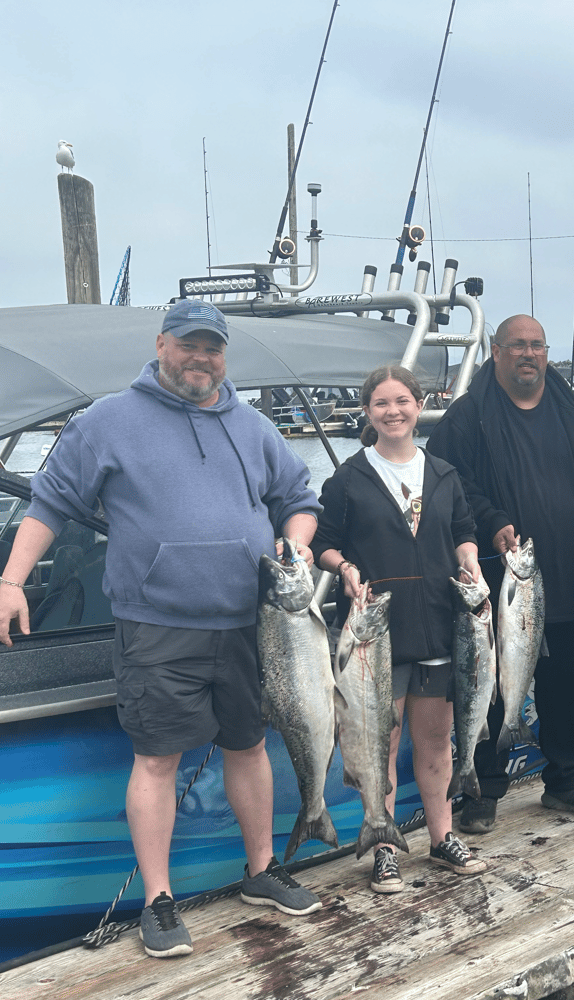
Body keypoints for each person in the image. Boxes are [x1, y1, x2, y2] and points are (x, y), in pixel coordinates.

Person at [0, 299, 324, 958]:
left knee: (249, 745)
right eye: (188, 345)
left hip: (250, 624)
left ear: (224, 355)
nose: (200, 359)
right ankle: (158, 900)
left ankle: (260, 870)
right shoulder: (109, 421)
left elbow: (300, 499)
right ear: (161, 344)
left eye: (212, 348)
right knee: (155, 759)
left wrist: (298, 542)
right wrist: (11, 579)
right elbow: (52, 500)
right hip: (156, 626)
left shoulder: (255, 425)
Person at [426, 314, 574, 834]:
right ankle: (485, 787)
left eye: (537, 346)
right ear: (495, 352)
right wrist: (493, 521)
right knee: (497, 684)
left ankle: (566, 779)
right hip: (504, 581)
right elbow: (449, 486)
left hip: (571, 572)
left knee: (567, 682)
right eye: (517, 345)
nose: (528, 354)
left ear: (547, 353)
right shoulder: (466, 417)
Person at [311, 365, 488, 893]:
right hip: (373, 636)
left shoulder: (444, 473)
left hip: (437, 625)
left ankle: (442, 837)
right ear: (368, 411)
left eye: (403, 401)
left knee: (436, 743)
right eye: (382, 403)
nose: (393, 411)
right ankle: (384, 846)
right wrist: (344, 569)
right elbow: (323, 542)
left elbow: (463, 532)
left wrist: (471, 559)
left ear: (419, 404)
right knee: (379, 744)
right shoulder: (348, 477)